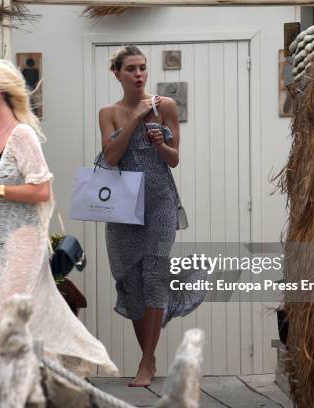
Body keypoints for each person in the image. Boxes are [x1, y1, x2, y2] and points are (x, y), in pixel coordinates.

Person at [0, 58, 117, 377]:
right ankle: (39, 388)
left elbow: (41, 190)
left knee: (12, 325)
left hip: (23, 242)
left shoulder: (22, 136)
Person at [99, 45, 206, 387]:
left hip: (159, 199)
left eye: (142, 68)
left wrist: (161, 143)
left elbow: (174, 159)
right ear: (117, 73)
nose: (139, 74)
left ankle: (146, 362)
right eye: (131, 69)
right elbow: (111, 156)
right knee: (131, 282)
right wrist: (134, 119)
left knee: (154, 274)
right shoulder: (109, 113)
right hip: (122, 204)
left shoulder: (166, 106)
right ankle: (149, 352)